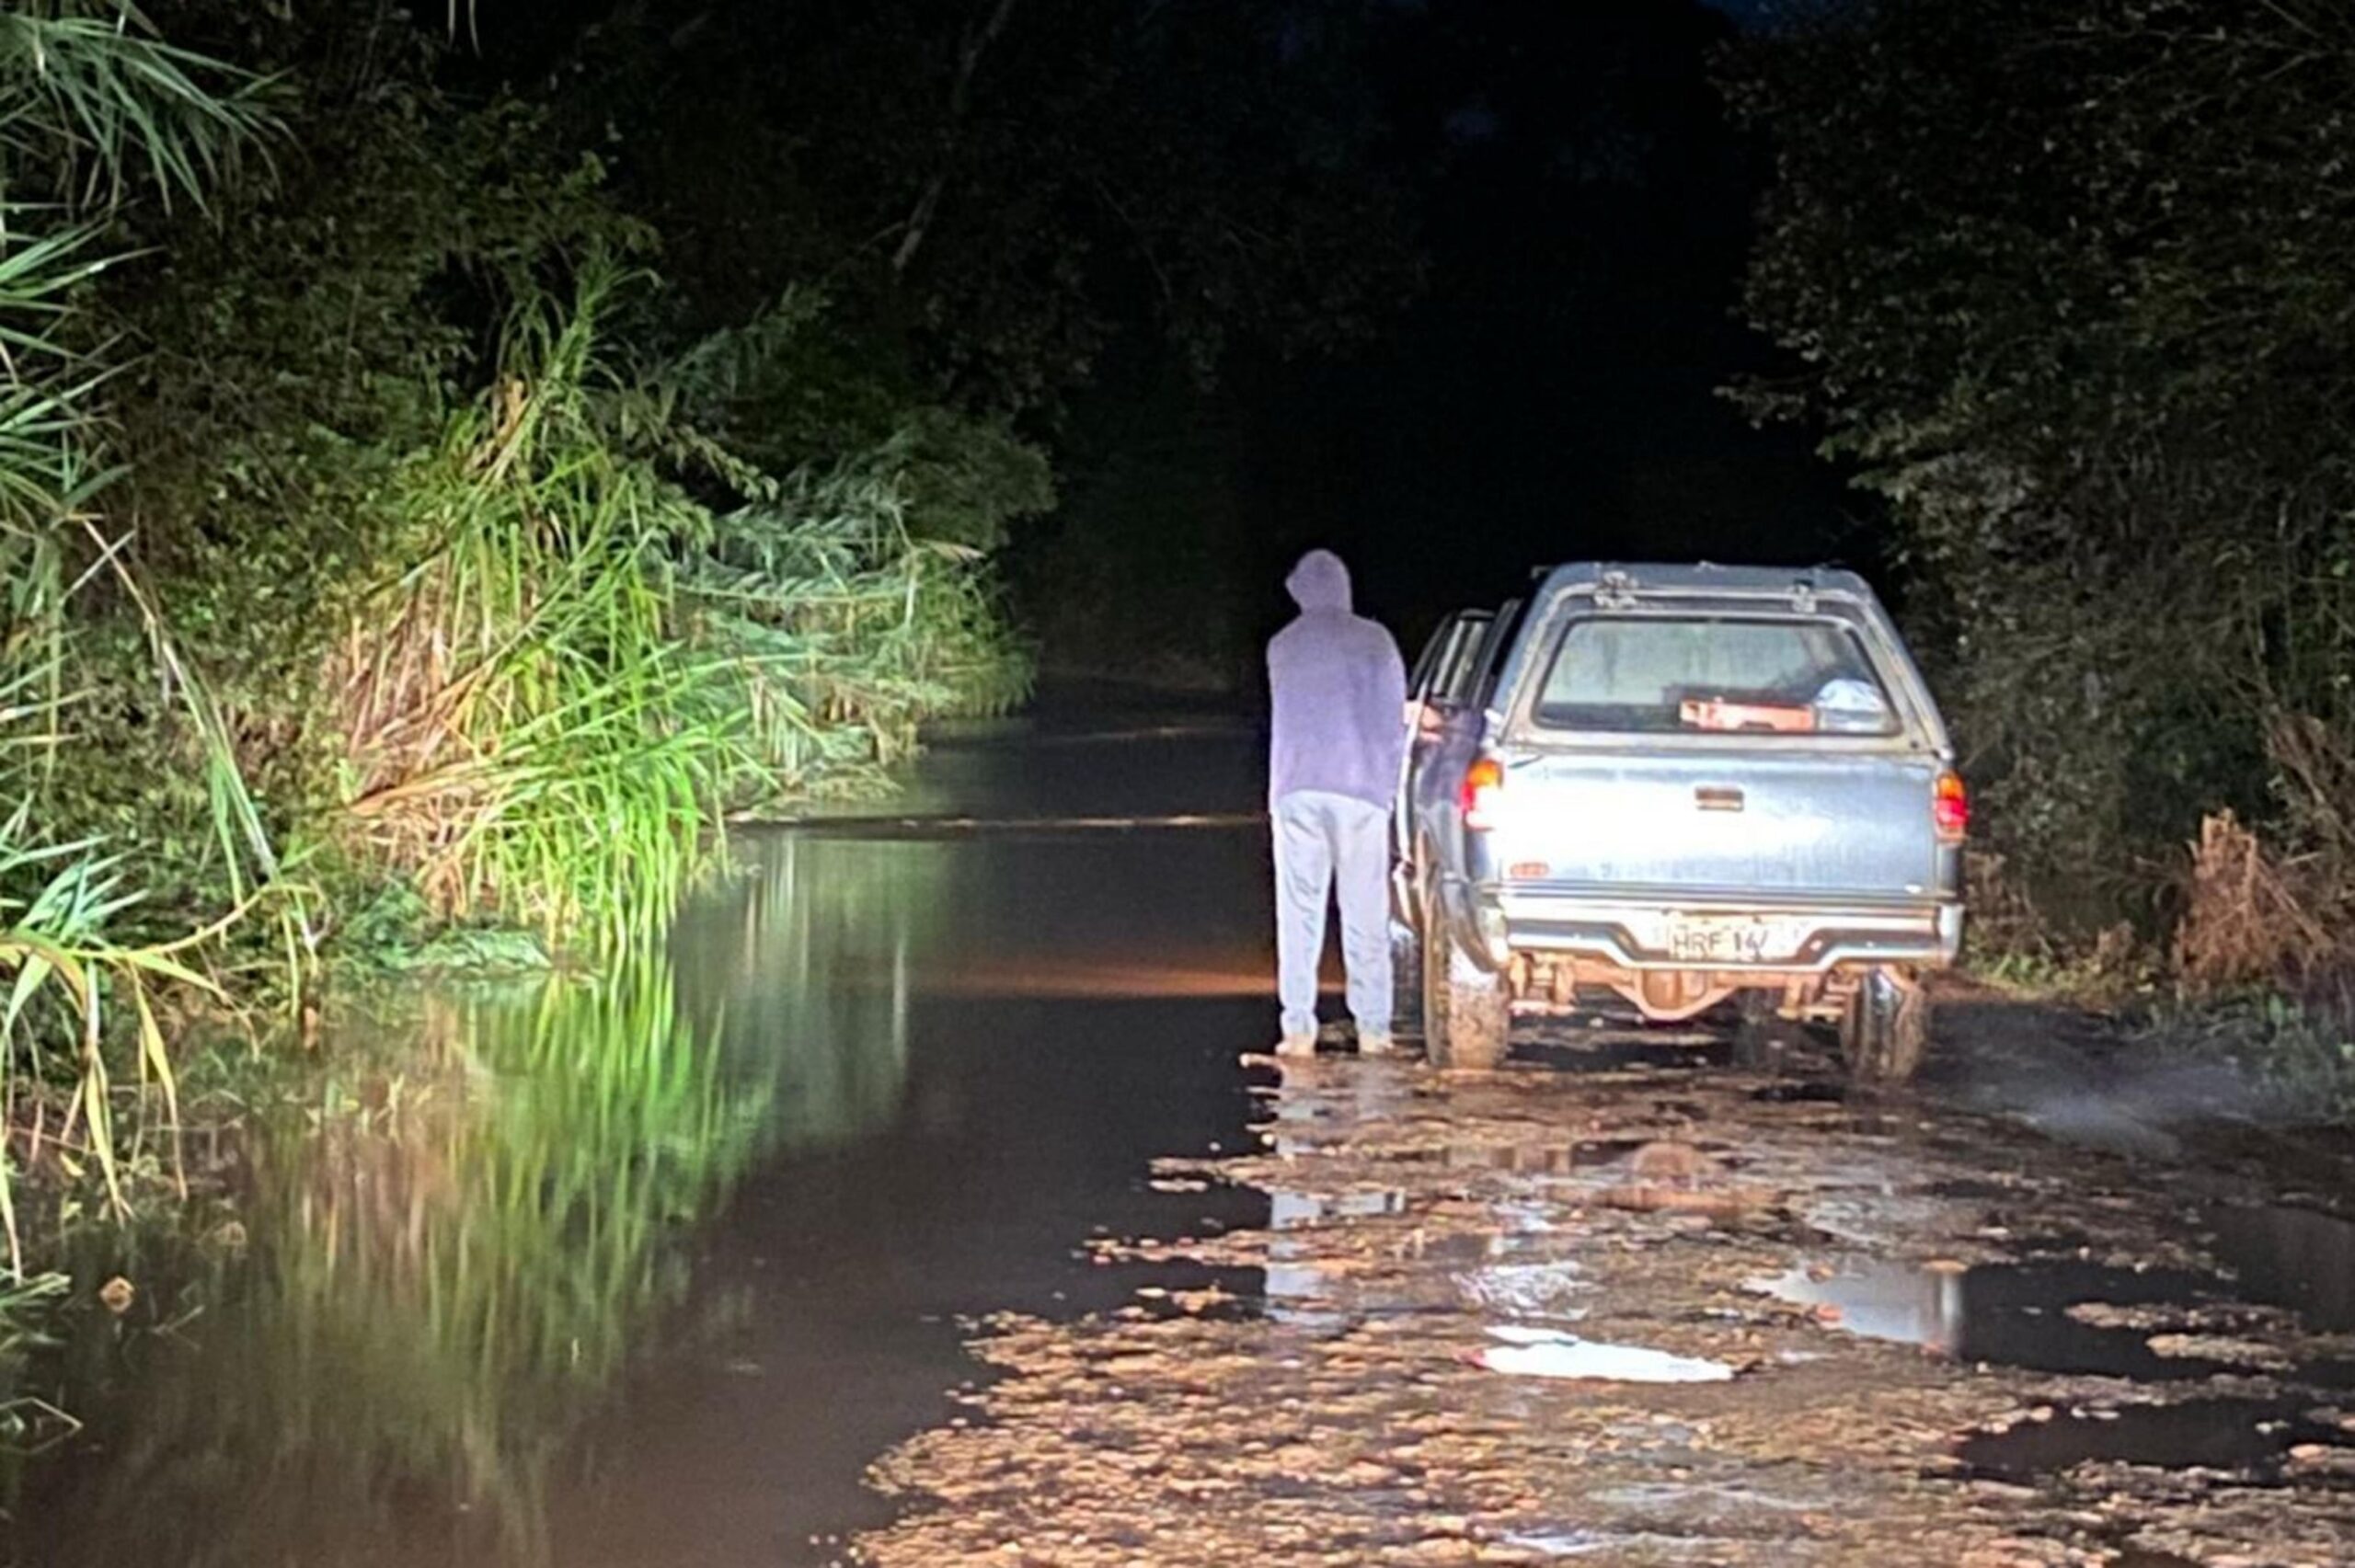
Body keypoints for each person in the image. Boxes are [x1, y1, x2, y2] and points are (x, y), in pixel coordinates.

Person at [1265, 549, 1409, 1058]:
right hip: (1359, 791)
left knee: (1298, 913)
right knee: (1364, 912)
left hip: (1295, 790)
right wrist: (1389, 789)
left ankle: (1297, 1029)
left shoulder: (1282, 645)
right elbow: (1392, 718)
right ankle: (1373, 1029)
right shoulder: (1375, 640)